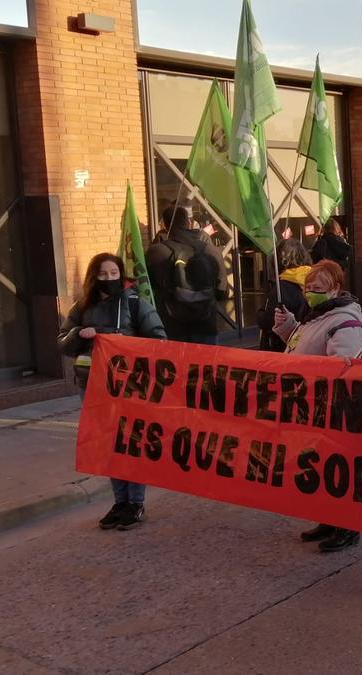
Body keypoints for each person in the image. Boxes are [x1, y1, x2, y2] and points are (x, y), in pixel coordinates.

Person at [58, 252, 166, 531]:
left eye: (113, 274)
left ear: (121, 274)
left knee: (130, 444)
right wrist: (79, 334)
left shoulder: (135, 304)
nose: (108, 279)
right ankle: (119, 502)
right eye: (103, 275)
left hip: (129, 388)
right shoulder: (82, 307)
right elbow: (62, 341)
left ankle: (136, 503)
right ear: (94, 277)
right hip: (92, 387)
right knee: (109, 447)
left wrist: (125, 344)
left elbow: (159, 341)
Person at [273, 261, 362, 553]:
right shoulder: (316, 316)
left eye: (319, 289)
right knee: (321, 467)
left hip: (331, 406)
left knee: (337, 469)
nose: (311, 293)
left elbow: (343, 365)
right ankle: (329, 518)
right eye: (309, 288)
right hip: (311, 406)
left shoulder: (344, 320)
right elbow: (305, 347)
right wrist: (288, 328)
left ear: (336, 288)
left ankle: (348, 527)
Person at [146, 205, 228, 344]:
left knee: (175, 365)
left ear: (165, 224)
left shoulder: (155, 253)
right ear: (188, 223)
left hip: (171, 326)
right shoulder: (210, 250)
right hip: (205, 324)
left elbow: (148, 289)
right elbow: (222, 291)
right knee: (206, 364)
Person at [256, 239, 312, 352]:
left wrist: (260, 314)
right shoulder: (312, 279)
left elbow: (271, 321)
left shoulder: (281, 287)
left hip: (281, 348)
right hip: (305, 344)